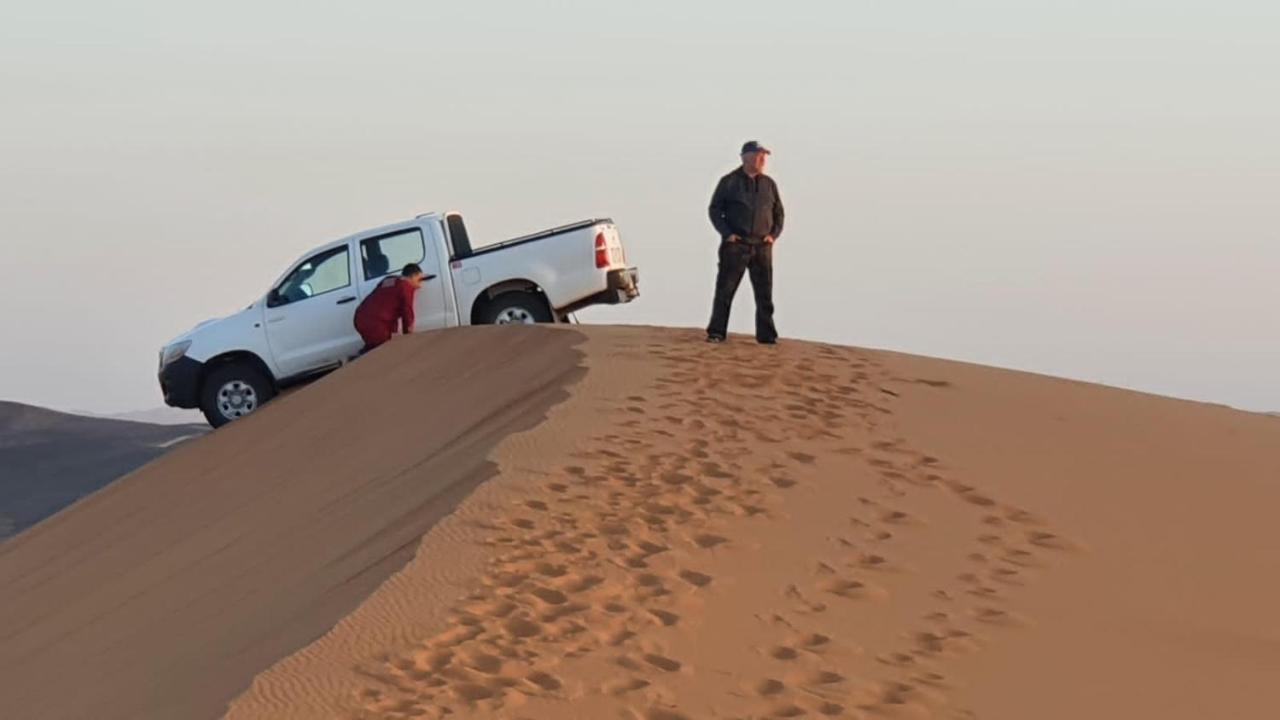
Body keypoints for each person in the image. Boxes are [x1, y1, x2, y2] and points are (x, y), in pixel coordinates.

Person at [706, 140, 785, 344]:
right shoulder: (729, 182)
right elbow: (715, 210)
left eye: (764, 156)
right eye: (759, 155)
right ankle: (716, 332)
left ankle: (767, 336)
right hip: (736, 246)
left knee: (764, 294)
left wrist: (773, 235)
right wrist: (727, 234)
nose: (762, 160)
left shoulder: (769, 184)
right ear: (747, 157)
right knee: (725, 291)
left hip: (762, 247)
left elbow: (779, 212)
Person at [353, 263, 426, 354]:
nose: (420, 285)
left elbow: (389, 307)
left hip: (360, 317)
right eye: (419, 280)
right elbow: (407, 312)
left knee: (375, 345)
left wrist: (394, 332)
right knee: (384, 350)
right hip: (376, 323)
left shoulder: (389, 280)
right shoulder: (406, 287)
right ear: (413, 276)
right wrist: (408, 336)